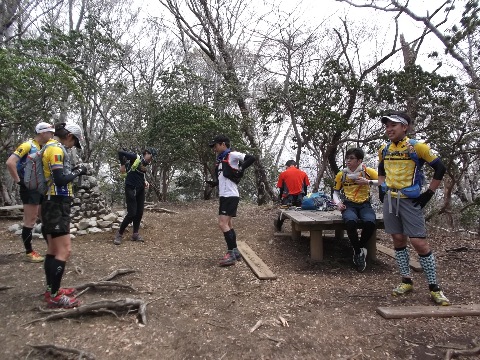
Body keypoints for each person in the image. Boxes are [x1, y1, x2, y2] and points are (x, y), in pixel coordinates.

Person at [378, 110, 449, 306]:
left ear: (404, 127)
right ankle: (406, 280)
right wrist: (382, 187)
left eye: (393, 125)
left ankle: (435, 287)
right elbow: (381, 168)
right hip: (391, 199)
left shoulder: (417, 147)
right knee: (398, 239)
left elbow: (440, 168)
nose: (389, 129)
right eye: (387, 125)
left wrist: (429, 193)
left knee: (418, 242)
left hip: (410, 200)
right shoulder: (384, 149)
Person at [42, 122, 87, 308]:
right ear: (69, 136)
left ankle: (51, 289)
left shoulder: (50, 147)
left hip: (51, 202)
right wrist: (79, 171)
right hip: (57, 203)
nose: (73, 146)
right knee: (64, 250)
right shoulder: (56, 150)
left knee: (53, 250)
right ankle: (54, 296)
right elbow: (60, 179)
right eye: (75, 142)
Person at [5, 122, 56, 263]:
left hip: (41, 188)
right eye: (50, 132)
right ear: (42, 132)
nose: (52, 135)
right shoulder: (28, 145)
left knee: (45, 218)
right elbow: (10, 162)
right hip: (29, 188)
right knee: (30, 220)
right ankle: (29, 252)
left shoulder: (45, 147)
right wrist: (18, 181)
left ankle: (52, 250)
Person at [206, 135, 256, 266]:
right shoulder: (221, 159)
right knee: (229, 224)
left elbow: (251, 158)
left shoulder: (232, 155)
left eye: (216, 145)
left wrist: (241, 168)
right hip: (225, 195)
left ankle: (231, 254)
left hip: (230, 195)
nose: (214, 149)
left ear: (223, 144)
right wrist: (215, 184)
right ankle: (235, 252)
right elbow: (224, 177)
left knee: (222, 224)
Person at [332, 148, 378, 272]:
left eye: (351, 158)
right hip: (349, 204)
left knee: (370, 222)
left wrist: (368, 182)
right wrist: (338, 203)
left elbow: (384, 182)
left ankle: (360, 247)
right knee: (350, 221)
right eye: (347, 158)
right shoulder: (342, 174)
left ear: (359, 160)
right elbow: (335, 193)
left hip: (365, 204)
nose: (348, 161)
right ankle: (358, 252)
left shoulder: (368, 172)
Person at [114, 148, 156, 245]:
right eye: (151, 157)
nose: (151, 160)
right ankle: (119, 234)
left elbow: (140, 173)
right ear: (146, 153)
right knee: (132, 213)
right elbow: (120, 152)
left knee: (139, 212)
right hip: (130, 188)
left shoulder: (145, 163)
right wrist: (122, 165)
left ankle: (135, 234)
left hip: (140, 188)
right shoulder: (135, 157)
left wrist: (145, 181)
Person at [274, 160, 310, 231]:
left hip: (288, 198)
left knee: (283, 213)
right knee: (301, 213)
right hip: (300, 198)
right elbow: (305, 188)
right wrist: (305, 198)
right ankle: (302, 229)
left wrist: (280, 197)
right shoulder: (303, 174)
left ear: (287, 166)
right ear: (295, 166)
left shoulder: (283, 174)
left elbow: (281, 188)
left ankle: (278, 227)